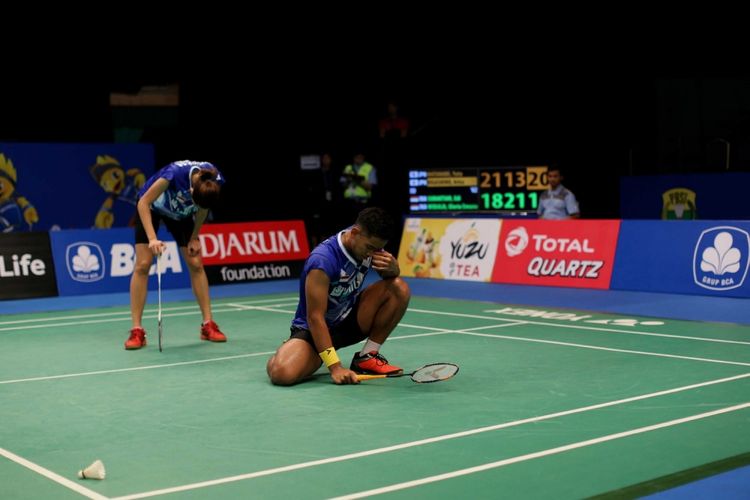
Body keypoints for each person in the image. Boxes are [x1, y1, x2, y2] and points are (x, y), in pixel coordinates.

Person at [266, 207, 411, 385]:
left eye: (379, 249)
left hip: (348, 320)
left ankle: (367, 356)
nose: (372, 254)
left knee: (399, 288)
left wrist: (394, 270)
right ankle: (294, 349)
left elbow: (388, 283)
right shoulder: (323, 260)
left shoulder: (367, 241)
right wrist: (335, 367)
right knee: (282, 374)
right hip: (315, 330)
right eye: (370, 248)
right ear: (355, 233)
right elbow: (315, 317)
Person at [125, 160, 228, 350]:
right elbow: (143, 203)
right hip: (152, 207)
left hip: (181, 215)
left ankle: (208, 325)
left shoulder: (213, 181)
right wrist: (153, 239)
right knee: (143, 264)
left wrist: (194, 237)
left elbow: (203, 209)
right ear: (190, 191)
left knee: (196, 263)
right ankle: (137, 330)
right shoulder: (172, 175)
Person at [340, 152, 377, 217]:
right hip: (349, 201)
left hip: (363, 202)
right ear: (354, 158)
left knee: (361, 224)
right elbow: (342, 185)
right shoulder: (348, 168)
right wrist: (348, 180)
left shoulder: (369, 167)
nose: (359, 159)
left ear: (363, 157)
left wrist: (355, 178)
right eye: (357, 157)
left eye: (360, 157)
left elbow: (370, 187)